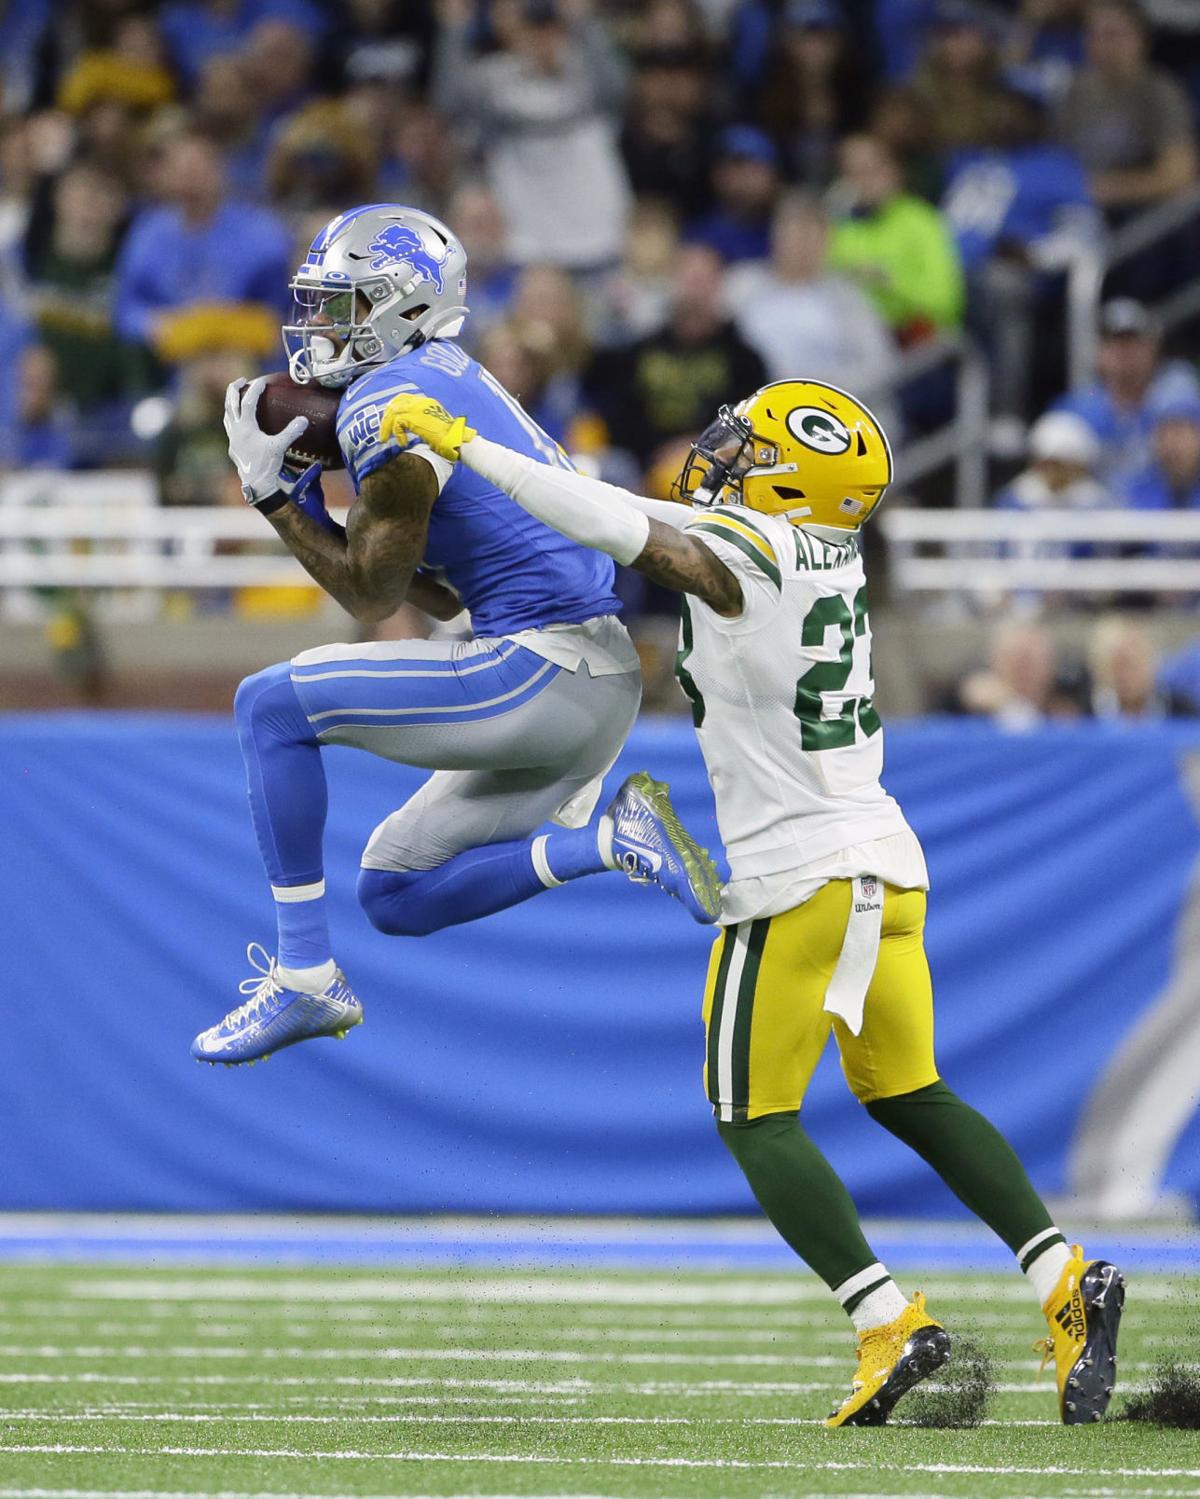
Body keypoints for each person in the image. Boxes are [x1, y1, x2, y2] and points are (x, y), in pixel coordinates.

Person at [380, 377, 1125, 1429]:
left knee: (753, 1114)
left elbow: (627, 526)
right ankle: (1065, 1277)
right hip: (886, 864)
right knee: (911, 1090)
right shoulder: (825, 550)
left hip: (794, 876)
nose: (717, 453)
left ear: (787, 475)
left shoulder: (751, 554)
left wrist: (470, 446)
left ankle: (886, 1319)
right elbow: (618, 511)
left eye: (744, 444)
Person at [190, 202, 720, 1067]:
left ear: (404, 306)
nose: (320, 325)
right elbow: (437, 598)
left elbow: (370, 596)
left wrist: (274, 496)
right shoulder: (439, 374)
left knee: (269, 706)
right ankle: (605, 841)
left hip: (545, 671)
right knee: (394, 891)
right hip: (587, 675)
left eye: (346, 302)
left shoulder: (388, 406)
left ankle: (302, 977)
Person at [431, 0, 631, 271]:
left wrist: (585, 22)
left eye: (551, 29)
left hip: (598, 238)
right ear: (516, 33)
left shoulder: (588, 73)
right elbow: (450, 105)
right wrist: (454, 31)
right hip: (527, 243)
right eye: (533, 29)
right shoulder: (494, 79)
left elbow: (619, 91)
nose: (542, 39)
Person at [725, 192, 899, 430]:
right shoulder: (740, 286)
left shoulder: (848, 298)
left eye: (811, 234)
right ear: (776, 235)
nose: (801, 244)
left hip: (822, 418)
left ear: (826, 240)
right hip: (747, 413)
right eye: (794, 231)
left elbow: (879, 368)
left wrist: (808, 391)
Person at [1055, 0, 1197, 216]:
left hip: (1128, 216)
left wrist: (1104, 188)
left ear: (1140, 39)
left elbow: (1178, 174)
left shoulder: (1158, 93)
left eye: (1112, 35)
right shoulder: (1075, 88)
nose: (1101, 45)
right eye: (1093, 35)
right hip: (1067, 204)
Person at [828, 133, 964, 342]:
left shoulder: (923, 222)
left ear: (893, 171)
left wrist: (887, 281)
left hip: (911, 341)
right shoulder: (838, 227)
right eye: (852, 173)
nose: (863, 181)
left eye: (870, 170)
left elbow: (945, 303)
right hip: (849, 337)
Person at [1052, 299, 1200, 484]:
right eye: (1114, 343)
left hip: (1165, 506)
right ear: (1099, 351)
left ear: (1153, 347)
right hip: (1096, 508)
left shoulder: (1175, 392)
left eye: (1132, 343)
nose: (1124, 353)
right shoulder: (1079, 408)